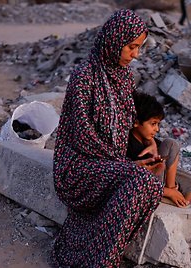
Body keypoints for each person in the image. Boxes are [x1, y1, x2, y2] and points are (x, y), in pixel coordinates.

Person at [50, 9, 164, 267]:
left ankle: (102, 254)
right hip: (78, 166)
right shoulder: (84, 76)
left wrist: (151, 144)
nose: (135, 55)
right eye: (131, 47)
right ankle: (99, 261)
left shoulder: (124, 79)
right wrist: (124, 165)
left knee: (153, 185)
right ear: (114, 40)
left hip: (112, 163)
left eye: (139, 48)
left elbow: (130, 125)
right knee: (138, 180)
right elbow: (83, 137)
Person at [126, 91, 191, 208]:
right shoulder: (127, 142)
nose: (157, 129)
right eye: (153, 124)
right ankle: (170, 195)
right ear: (136, 122)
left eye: (158, 124)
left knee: (190, 181)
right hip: (145, 185)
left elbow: (170, 152)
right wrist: (169, 191)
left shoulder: (148, 140)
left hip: (161, 181)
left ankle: (181, 207)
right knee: (170, 144)